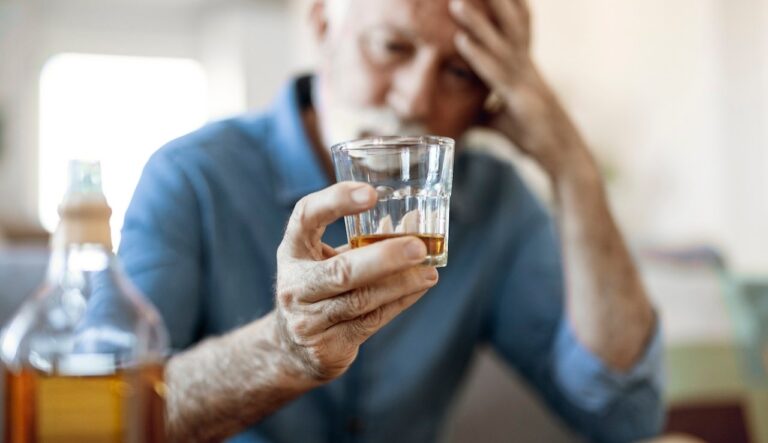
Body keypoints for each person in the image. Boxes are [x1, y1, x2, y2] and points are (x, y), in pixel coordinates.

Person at [119, 0, 663, 441]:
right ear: (321, 21)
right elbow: (114, 413)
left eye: (460, 73)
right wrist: (283, 349)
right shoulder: (191, 178)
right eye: (391, 47)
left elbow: (622, 416)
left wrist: (571, 165)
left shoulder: (496, 200)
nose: (417, 98)